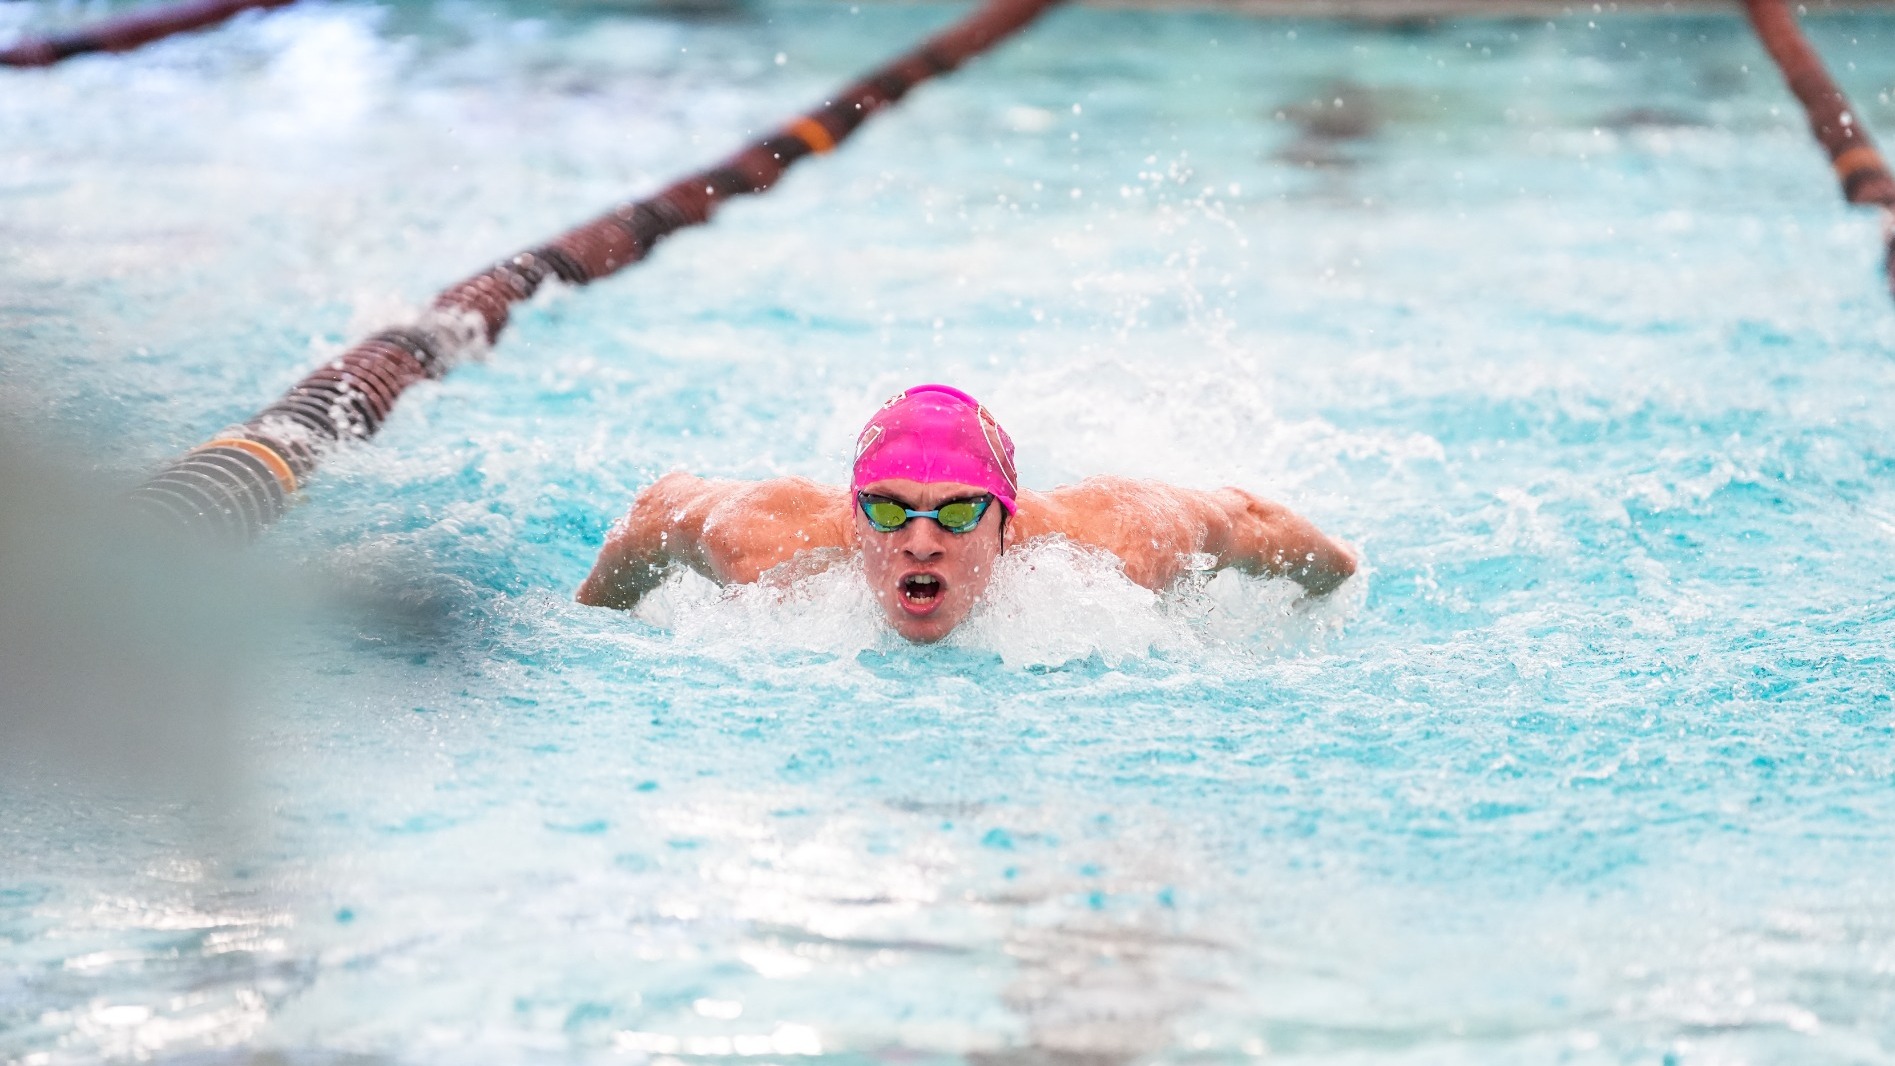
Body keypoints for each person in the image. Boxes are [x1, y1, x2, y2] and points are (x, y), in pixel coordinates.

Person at [577, 384, 1356, 643]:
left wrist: (1333, 579)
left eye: (955, 516)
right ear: (852, 520)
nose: (920, 542)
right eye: (888, 512)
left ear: (1006, 527)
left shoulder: (1119, 545)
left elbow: (1250, 518)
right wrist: (591, 621)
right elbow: (655, 511)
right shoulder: (760, 540)